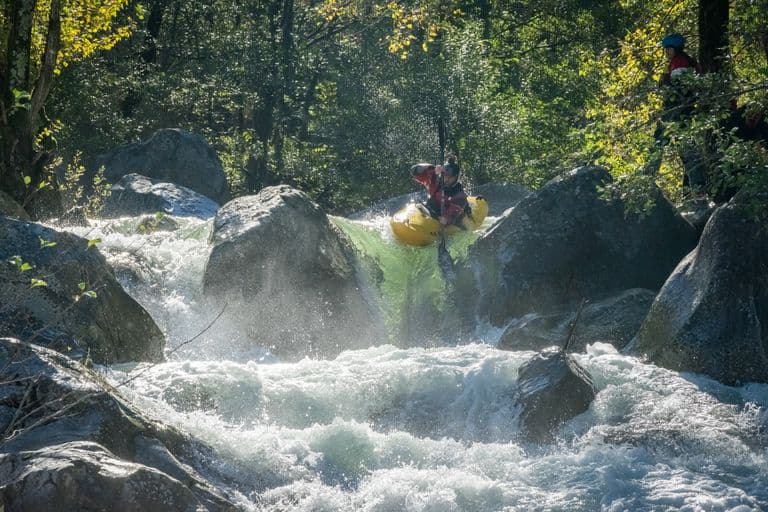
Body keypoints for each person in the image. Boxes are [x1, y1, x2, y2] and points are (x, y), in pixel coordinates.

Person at [646, 33, 706, 196]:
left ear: (675, 48)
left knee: (661, 142)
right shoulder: (683, 60)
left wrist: (664, 84)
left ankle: (646, 180)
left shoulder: (679, 61)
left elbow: (679, 90)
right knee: (684, 147)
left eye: (668, 48)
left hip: (675, 111)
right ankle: (696, 187)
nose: (666, 51)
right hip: (681, 110)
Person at [410, 154, 469, 227]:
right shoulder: (435, 180)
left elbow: (454, 213)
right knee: (429, 202)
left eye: (450, 177)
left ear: (456, 177)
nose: (446, 180)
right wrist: (433, 168)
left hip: (448, 219)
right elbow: (414, 171)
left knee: (454, 219)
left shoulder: (459, 194)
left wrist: (447, 219)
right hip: (433, 212)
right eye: (445, 176)